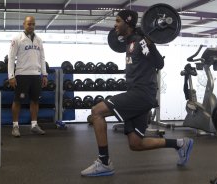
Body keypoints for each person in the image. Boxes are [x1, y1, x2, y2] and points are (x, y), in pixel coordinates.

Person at [81, 9, 194, 177]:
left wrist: (149, 42)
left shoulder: (140, 41)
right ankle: (180, 143)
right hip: (138, 93)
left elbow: (159, 63)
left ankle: (104, 162)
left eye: (118, 21)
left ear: (128, 22)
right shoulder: (129, 42)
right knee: (136, 143)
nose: (115, 24)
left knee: (97, 111)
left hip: (142, 93)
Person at [8, 16, 48, 137]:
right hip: (22, 75)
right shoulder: (17, 39)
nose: (31, 26)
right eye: (29, 24)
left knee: (35, 101)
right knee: (18, 101)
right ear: (24, 24)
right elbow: (11, 57)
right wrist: (11, 76)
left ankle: (34, 125)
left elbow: (42, 58)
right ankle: (15, 126)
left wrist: (44, 74)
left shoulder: (39, 40)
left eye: (33, 24)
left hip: (36, 76)